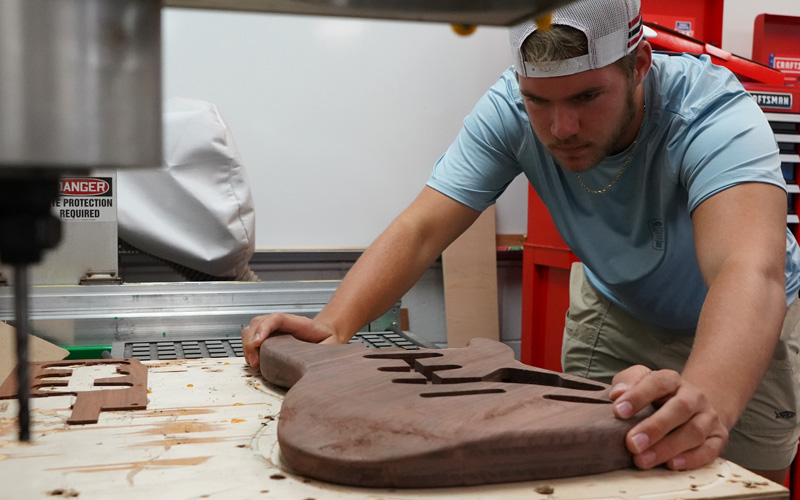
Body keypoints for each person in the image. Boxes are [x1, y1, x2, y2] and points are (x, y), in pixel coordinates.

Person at [242, 0, 800, 484]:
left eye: (586, 97)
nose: (561, 128)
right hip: (618, 305)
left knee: (729, 476)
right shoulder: (509, 108)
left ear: (639, 67)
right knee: (586, 473)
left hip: (742, 321)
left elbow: (748, 271)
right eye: (539, 100)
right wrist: (334, 325)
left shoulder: (712, 115)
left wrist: (707, 402)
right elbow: (420, 230)